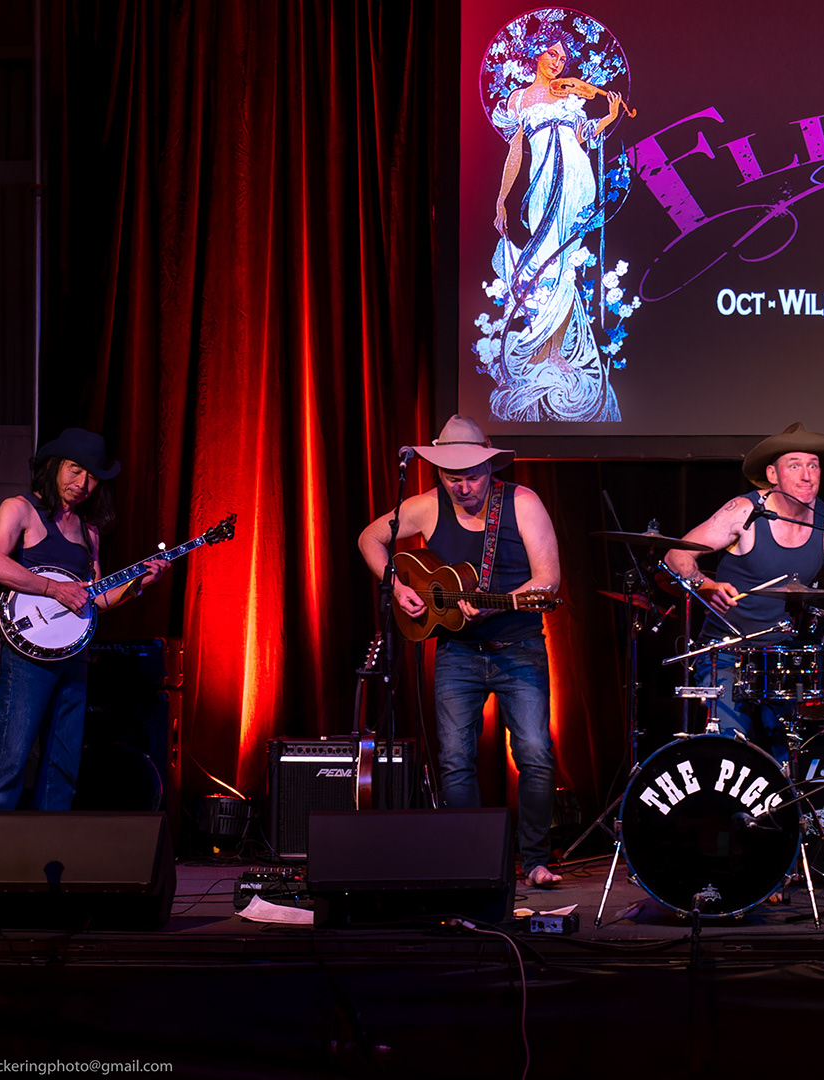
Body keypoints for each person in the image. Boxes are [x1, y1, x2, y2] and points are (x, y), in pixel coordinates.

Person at [357, 416, 564, 887]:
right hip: (457, 652)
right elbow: (369, 537)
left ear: (489, 466)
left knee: (534, 754)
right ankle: (472, 863)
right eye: (453, 478)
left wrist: (497, 605)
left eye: (471, 476)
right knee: (454, 760)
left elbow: (548, 581)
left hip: (519, 647)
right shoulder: (425, 506)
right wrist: (397, 587)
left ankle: (534, 860)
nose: (463, 487)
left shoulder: (522, 503)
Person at [663, 422, 824, 754]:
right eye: (795, 465)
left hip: (782, 658)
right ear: (772, 474)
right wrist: (704, 585)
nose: (807, 475)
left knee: (791, 752)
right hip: (727, 653)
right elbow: (676, 554)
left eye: (813, 466)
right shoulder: (744, 511)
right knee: (733, 747)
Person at [0, 428, 167, 811]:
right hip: (28, 657)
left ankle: (52, 843)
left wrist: (138, 584)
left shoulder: (88, 532)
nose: (82, 484)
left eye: (92, 477)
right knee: (13, 755)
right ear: (54, 466)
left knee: (63, 761)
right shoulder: (20, 509)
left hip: (74, 656)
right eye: (75, 470)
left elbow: (98, 598)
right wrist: (53, 589)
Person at [482, 32, 625, 423]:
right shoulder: (520, 100)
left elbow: (583, 136)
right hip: (543, 185)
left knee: (565, 266)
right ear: (536, 56)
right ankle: (541, 344)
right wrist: (501, 198)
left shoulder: (570, 95)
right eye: (551, 54)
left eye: (563, 58)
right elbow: (515, 152)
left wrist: (609, 117)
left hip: (576, 180)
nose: (558, 62)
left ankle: (556, 352)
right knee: (543, 264)